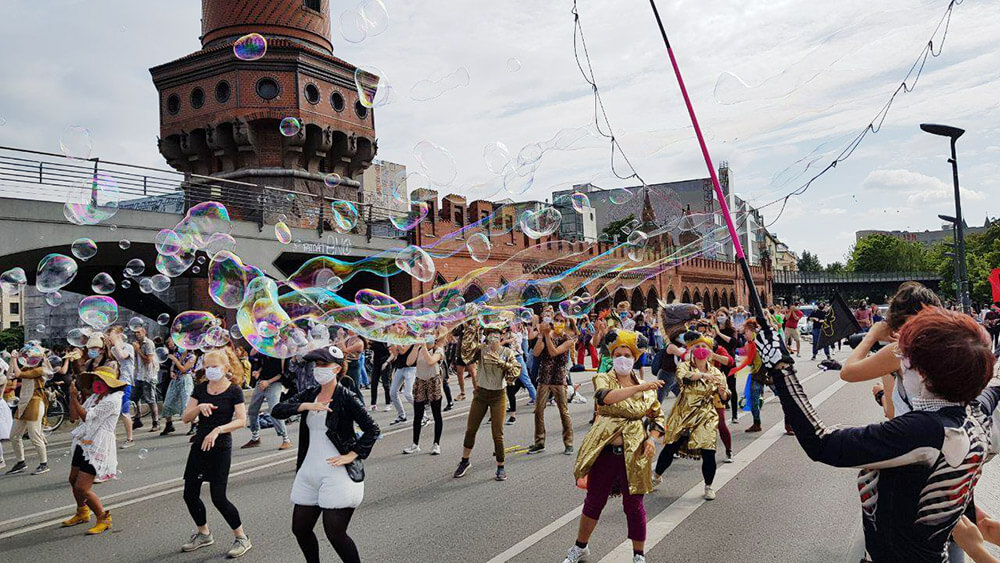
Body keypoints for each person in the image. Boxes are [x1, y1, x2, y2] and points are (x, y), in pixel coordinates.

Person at [770, 306, 998, 562]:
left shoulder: (924, 430)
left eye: (905, 358)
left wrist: (782, 370)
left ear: (923, 373)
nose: (901, 363)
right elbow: (993, 391)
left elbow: (822, 443)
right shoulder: (976, 414)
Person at [563, 330, 665, 563]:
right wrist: (640, 388)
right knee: (594, 501)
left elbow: (657, 417)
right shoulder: (605, 377)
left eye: (627, 355)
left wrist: (651, 438)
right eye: (617, 354)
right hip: (605, 452)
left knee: (634, 505)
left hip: (635, 453)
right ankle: (581, 547)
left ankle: (638, 555)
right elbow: (605, 397)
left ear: (635, 357)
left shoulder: (646, 388)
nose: (622, 359)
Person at [272, 345, 380, 563]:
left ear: (337, 369)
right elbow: (277, 410)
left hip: (338, 473)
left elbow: (373, 429)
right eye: (316, 365)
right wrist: (306, 406)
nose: (318, 369)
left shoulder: (346, 396)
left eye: (323, 365)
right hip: (309, 470)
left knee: (335, 533)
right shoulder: (311, 393)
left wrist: (353, 454)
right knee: (300, 529)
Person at [179, 349, 252, 558]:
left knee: (218, 497)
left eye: (214, 366)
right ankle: (204, 534)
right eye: (207, 366)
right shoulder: (200, 389)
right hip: (200, 445)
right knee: (189, 494)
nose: (210, 370)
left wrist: (218, 429)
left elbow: (241, 420)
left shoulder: (234, 391)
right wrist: (199, 407)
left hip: (220, 447)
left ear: (226, 368)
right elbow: (185, 418)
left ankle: (241, 537)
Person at [654, 333, 729, 500]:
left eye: (705, 347)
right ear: (691, 350)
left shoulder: (716, 371)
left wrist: (723, 393)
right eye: (697, 347)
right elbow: (683, 378)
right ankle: (656, 476)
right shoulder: (684, 366)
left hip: (706, 414)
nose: (701, 350)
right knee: (671, 446)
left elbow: (725, 394)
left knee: (709, 449)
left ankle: (709, 486)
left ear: (710, 351)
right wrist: (702, 375)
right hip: (684, 412)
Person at [61, 365, 125, 534]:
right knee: (73, 479)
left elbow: (86, 417)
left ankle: (103, 518)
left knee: (82, 487)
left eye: (101, 380)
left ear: (110, 383)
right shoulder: (94, 397)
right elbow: (75, 417)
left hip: (98, 445)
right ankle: (82, 512)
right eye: (95, 379)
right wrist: (72, 396)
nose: (97, 383)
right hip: (84, 442)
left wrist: (75, 397)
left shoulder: (113, 400)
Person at [454, 327, 520, 481]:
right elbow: (465, 352)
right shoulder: (481, 350)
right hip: (481, 394)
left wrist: (501, 363)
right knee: (471, 429)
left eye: (496, 333)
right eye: (490, 333)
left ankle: (500, 466)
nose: (493, 337)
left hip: (498, 395)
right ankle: (465, 461)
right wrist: (470, 328)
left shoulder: (507, 352)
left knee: (497, 434)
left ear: (502, 335)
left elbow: (516, 371)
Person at [528, 314, 577, 456]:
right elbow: (536, 353)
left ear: (566, 323)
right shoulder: (545, 335)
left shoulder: (568, 339)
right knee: (538, 410)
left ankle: (568, 443)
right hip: (544, 376)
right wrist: (540, 336)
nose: (558, 323)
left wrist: (547, 337)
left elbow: (554, 352)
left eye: (562, 321)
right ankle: (539, 442)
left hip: (559, 378)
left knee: (563, 411)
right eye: (556, 320)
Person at [5, 347, 51, 475]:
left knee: (34, 435)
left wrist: (14, 359)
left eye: (32, 356)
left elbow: (19, 375)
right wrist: (11, 362)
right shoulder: (26, 368)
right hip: (23, 404)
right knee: (14, 435)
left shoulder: (40, 370)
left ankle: (44, 463)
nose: (29, 357)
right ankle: (21, 462)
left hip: (35, 402)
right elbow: (10, 375)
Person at [694, 323, 735, 461]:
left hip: (716, 390)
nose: (701, 348)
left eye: (705, 333)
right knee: (689, 420)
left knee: (721, 422)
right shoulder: (694, 349)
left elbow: (730, 361)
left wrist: (713, 355)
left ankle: (729, 450)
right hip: (698, 390)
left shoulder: (718, 348)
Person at [404, 334, 446, 455]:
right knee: (418, 414)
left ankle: (436, 444)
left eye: (429, 338)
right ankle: (415, 444)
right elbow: (409, 362)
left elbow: (431, 361)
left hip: (433, 381)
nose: (427, 340)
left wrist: (423, 347)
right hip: (420, 381)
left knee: (436, 413)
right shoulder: (419, 349)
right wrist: (415, 346)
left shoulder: (438, 350)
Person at [242, 351, 291, 450]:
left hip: (275, 383)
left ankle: (286, 439)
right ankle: (255, 437)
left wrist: (268, 382)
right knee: (252, 410)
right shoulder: (263, 350)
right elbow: (260, 363)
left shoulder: (280, 351)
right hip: (262, 382)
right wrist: (258, 372)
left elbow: (283, 373)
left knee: (274, 410)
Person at [730, 319, 766, 432]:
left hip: (770, 373)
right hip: (757, 374)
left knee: (784, 397)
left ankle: (789, 423)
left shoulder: (762, 340)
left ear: (752, 331)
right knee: (753, 400)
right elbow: (747, 358)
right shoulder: (748, 344)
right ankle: (757, 423)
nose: (744, 335)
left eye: (746, 332)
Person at [161, 341, 197, 436]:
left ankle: (194, 425)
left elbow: (184, 369)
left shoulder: (192, 357)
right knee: (167, 402)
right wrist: (172, 371)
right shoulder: (177, 354)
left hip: (186, 380)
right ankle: (169, 424)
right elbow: (173, 366)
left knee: (186, 403)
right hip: (176, 380)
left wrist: (175, 360)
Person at [505, 322, 537, 425]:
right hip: (507, 359)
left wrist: (508, 338)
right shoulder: (504, 334)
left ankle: (537, 403)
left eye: (512, 324)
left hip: (517, 358)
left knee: (526, 381)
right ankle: (509, 405)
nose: (510, 326)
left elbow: (516, 346)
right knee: (509, 385)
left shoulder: (518, 334)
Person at [131, 322, 161, 432]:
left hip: (149, 375)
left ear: (144, 332)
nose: (136, 334)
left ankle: (156, 422)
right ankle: (138, 419)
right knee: (134, 398)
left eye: (138, 332)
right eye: (135, 333)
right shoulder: (136, 344)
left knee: (150, 399)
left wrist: (138, 349)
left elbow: (148, 360)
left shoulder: (148, 343)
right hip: (139, 375)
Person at [387, 328, 418, 426]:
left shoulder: (411, 336)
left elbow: (404, 350)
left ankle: (423, 414)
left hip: (411, 368)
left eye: (400, 324)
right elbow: (396, 354)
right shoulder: (399, 337)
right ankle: (401, 415)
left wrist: (395, 339)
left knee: (408, 394)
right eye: (396, 325)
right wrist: (393, 342)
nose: (397, 327)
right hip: (400, 367)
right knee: (392, 392)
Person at [452, 321, 481, 401]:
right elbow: (454, 333)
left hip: (469, 352)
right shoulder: (462, 324)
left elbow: (474, 332)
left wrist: (467, 325)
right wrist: (457, 324)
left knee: (473, 372)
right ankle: (462, 393)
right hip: (460, 352)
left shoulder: (475, 323)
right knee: (459, 373)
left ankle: (477, 392)